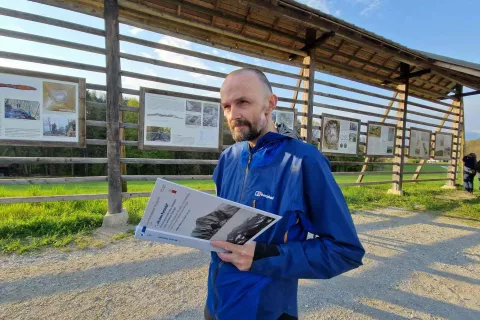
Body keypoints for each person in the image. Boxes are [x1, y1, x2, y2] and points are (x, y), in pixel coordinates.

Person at [205, 68, 365, 320]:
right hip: (216, 305)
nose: (233, 114)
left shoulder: (303, 161)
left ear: (270, 103)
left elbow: (345, 250)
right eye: (226, 106)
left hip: (268, 310)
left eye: (243, 102)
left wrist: (262, 256)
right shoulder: (229, 158)